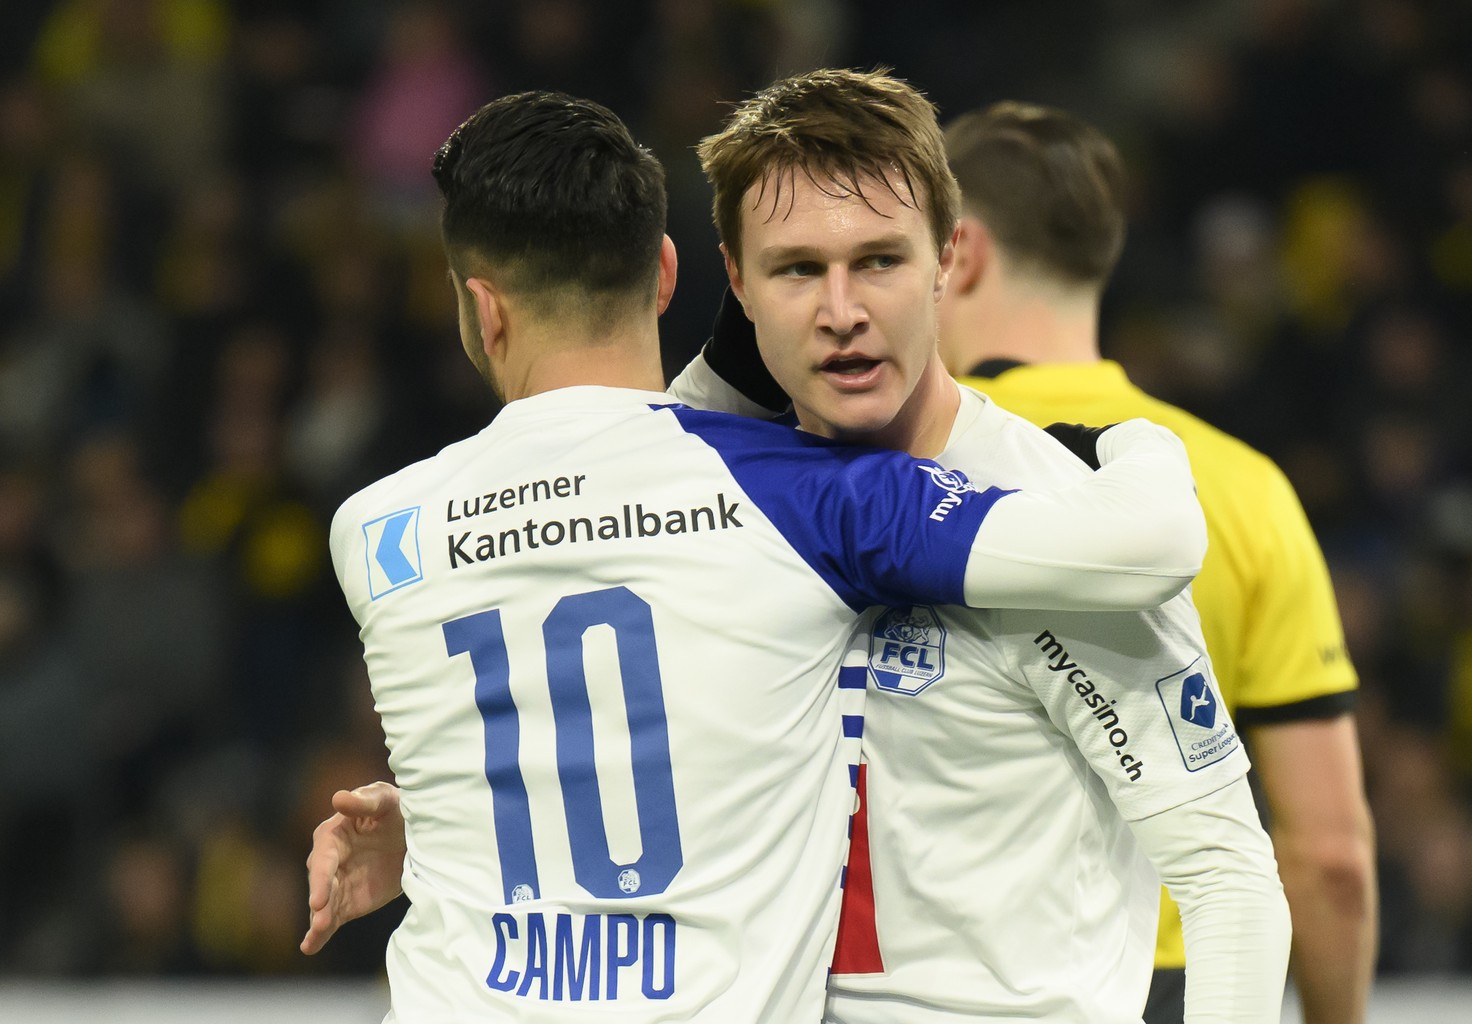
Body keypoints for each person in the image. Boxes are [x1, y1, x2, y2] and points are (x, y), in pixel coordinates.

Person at [309, 71, 1291, 1023]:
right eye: (797, 269)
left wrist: (1137, 447)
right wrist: (449, 825)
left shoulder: (1058, 526)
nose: (842, 310)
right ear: (734, 282)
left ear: (949, 260)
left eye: (880, 260)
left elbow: (1230, 878)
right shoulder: (711, 498)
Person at [936, 101, 1377, 1024]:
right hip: (1181, 986)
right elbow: (1329, 855)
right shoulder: (1244, 488)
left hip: (950, 983)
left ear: (960, 253)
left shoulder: (892, 472)